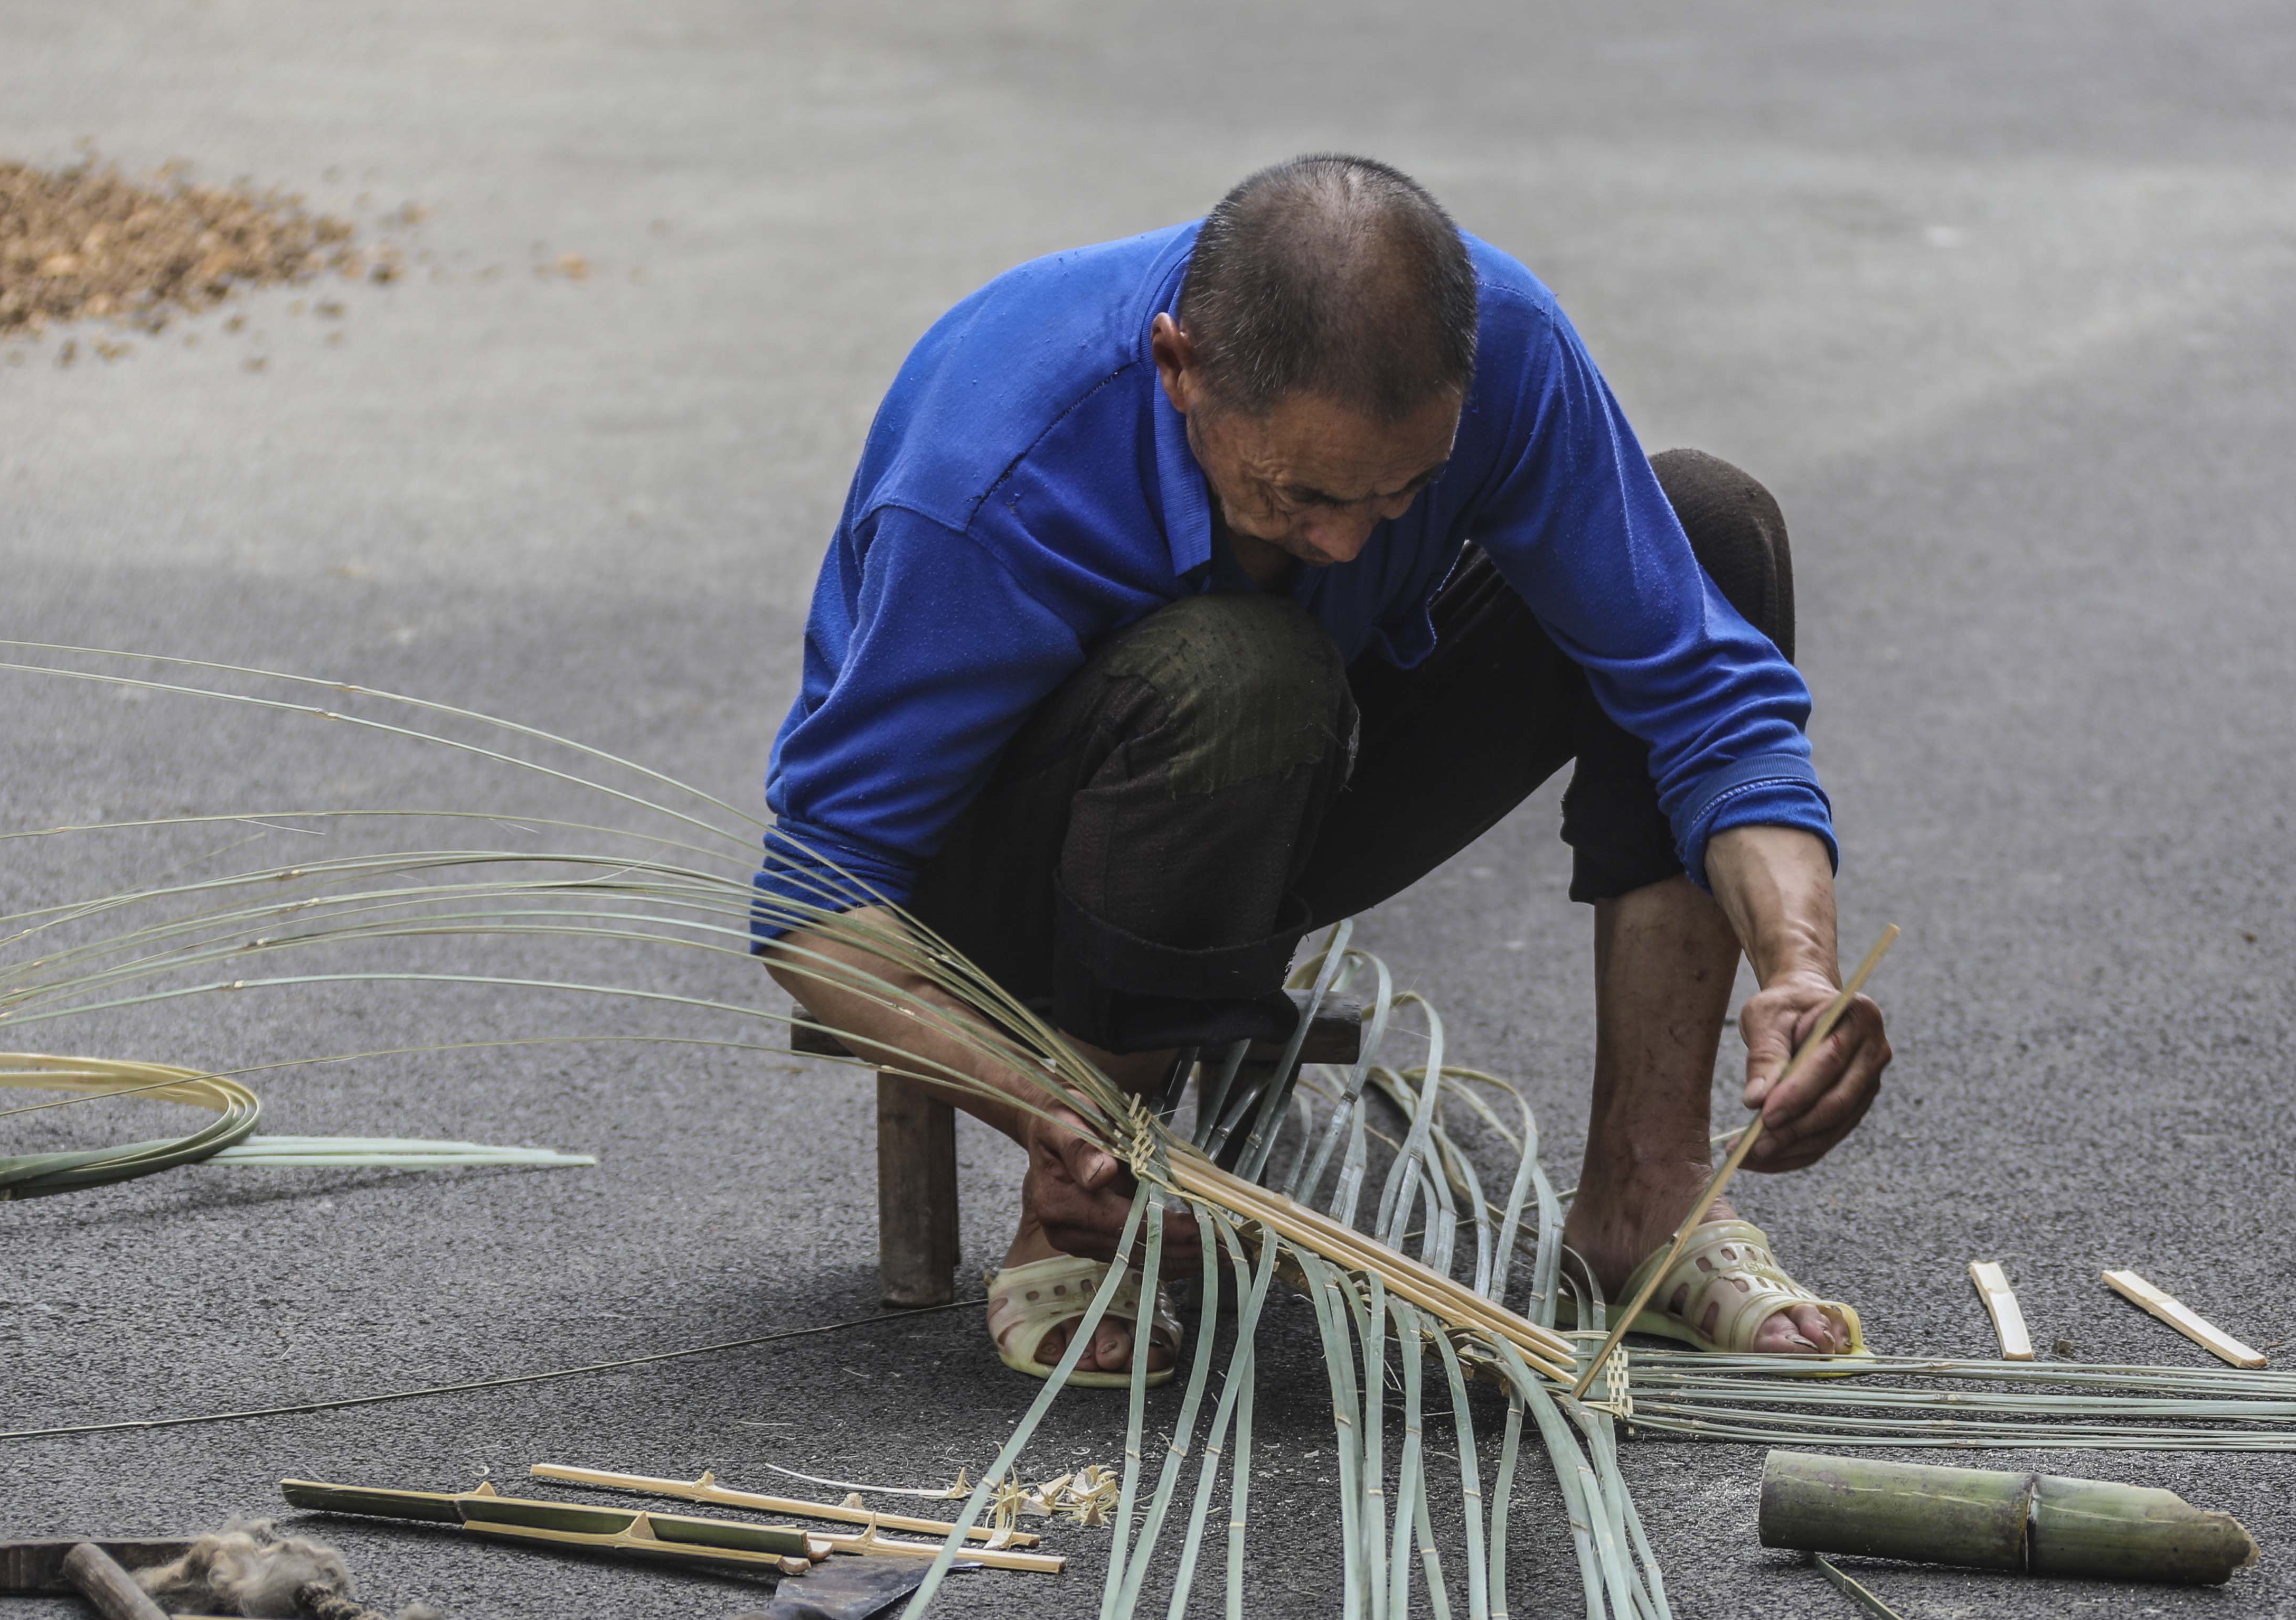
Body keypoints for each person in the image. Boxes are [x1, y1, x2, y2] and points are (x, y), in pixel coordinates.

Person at [761, 155, 1889, 1382]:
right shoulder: (1000, 464)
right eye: (1300, 493)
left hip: (1291, 762)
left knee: (1710, 528)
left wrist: (1799, 961)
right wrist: (1048, 1113)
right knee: (1244, 664)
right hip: (999, 871)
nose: (1350, 538)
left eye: (1403, 491)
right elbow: (814, 903)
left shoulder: (1506, 342)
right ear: (1179, 366)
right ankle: (1086, 1203)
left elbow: (1706, 697)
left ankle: (1648, 1202)